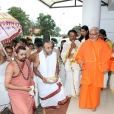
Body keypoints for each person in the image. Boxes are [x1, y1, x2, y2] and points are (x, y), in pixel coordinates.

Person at [76, 27, 113, 111]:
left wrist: (112, 55)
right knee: (85, 87)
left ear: (97, 34)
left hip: (97, 69)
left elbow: (108, 53)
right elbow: (79, 55)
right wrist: (80, 61)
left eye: (94, 34)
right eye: (90, 34)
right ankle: (84, 103)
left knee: (95, 88)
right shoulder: (85, 44)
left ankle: (94, 105)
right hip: (87, 68)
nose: (92, 36)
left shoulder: (103, 44)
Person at [33, 41, 67, 114]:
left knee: (60, 91)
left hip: (53, 78)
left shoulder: (54, 54)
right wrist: (42, 78)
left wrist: (56, 75)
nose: (50, 49)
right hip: (42, 79)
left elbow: (57, 66)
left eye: (51, 47)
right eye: (48, 48)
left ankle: (55, 103)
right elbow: (35, 69)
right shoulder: (38, 56)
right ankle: (44, 109)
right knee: (44, 95)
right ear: (43, 48)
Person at [5, 46, 35, 114]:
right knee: (25, 112)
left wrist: (32, 85)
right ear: (15, 54)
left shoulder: (26, 61)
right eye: (21, 54)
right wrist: (22, 88)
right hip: (16, 93)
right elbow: (6, 84)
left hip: (27, 91)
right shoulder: (11, 66)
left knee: (29, 111)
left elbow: (30, 75)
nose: (24, 56)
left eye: (25, 54)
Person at [61, 29, 81, 97]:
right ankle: (68, 93)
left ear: (76, 36)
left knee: (76, 78)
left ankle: (75, 92)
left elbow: (81, 54)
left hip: (76, 63)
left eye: (74, 36)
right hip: (69, 63)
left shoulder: (78, 43)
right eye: (71, 36)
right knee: (68, 78)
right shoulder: (66, 43)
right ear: (69, 36)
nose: (72, 37)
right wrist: (71, 48)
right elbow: (63, 55)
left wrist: (76, 48)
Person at [28, 42, 43, 107]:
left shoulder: (44, 55)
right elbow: (27, 65)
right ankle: (36, 103)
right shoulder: (32, 55)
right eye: (41, 48)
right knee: (36, 88)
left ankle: (42, 101)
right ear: (37, 48)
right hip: (34, 74)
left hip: (42, 73)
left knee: (42, 87)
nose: (42, 49)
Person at [0, 48, 12, 114]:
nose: (8, 54)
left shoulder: (12, 61)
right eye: (6, 52)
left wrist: (11, 62)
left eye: (10, 52)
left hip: (8, 86)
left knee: (10, 105)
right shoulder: (2, 60)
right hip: (1, 86)